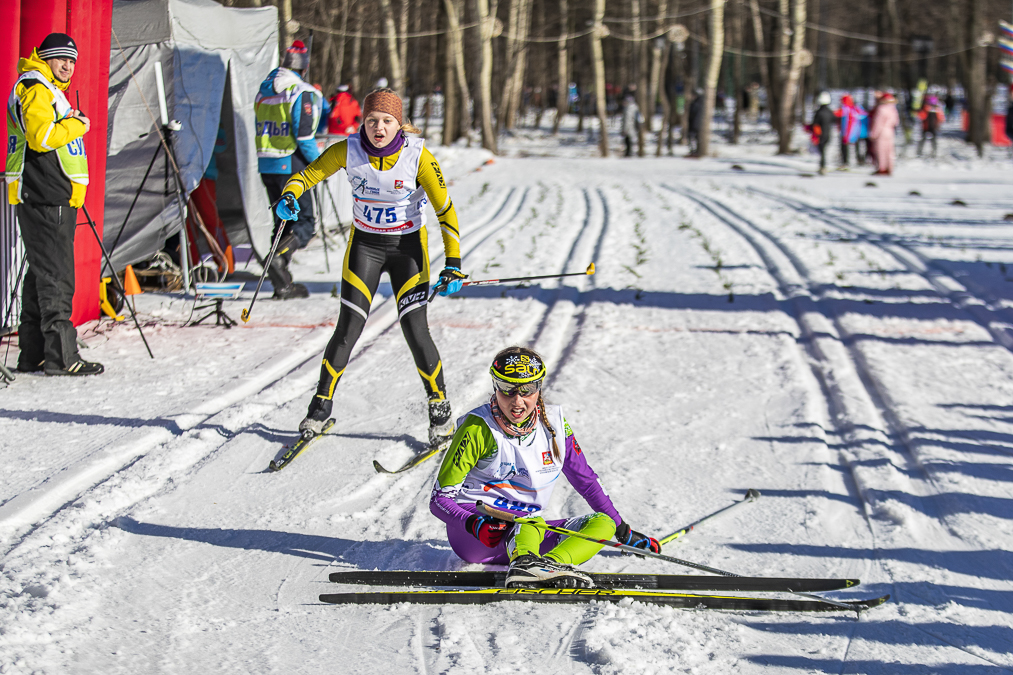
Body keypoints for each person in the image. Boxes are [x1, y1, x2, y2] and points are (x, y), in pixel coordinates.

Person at [277, 88, 464, 449]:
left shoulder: (418, 156)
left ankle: (439, 406)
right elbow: (307, 176)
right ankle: (320, 406)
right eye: (372, 120)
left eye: (387, 121)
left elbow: (445, 210)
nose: (379, 127)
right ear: (364, 122)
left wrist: (453, 262)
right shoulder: (348, 150)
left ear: (399, 124)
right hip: (365, 247)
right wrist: (289, 196)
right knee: (348, 328)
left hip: (408, 250)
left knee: (415, 328)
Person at [429, 347, 660, 588]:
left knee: (603, 523)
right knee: (531, 520)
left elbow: (586, 481)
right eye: (507, 389)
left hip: (529, 533)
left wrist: (623, 531)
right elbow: (438, 500)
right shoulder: (478, 427)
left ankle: (550, 567)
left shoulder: (555, 424)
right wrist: (473, 524)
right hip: (478, 534)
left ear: (538, 387)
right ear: (495, 386)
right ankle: (527, 564)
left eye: (527, 390)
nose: (517, 401)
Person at [6, 33, 102, 376]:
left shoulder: (45, 89)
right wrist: (77, 123)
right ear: (44, 59)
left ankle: (34, 354)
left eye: (72, 60)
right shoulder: (36, 89)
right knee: (58, 277)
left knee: (40, 275)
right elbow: (42, 136)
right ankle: (63, 356)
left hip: (46, 193)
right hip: (45, 194)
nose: (68, 65)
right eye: (61, 59)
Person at [254, 40, 323, 299]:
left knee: (282, 222)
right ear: (303, 68)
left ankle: (282, 284)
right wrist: (320, 165)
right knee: (304, 223)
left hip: (266, 162)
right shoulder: (299, 91)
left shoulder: (263, 89)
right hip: (291, 163)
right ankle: (278, 257)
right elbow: (304, 135)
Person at [868, 91, 899, 176]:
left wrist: (873, 133)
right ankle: (890, 167)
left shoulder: (881, 109)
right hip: (890, 131)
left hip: (882, 131)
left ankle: (882, 168)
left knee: (880, 150)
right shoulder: (893, 109)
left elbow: (878, 122)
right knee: (889, 150)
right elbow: (896, 122)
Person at [835, 94, 866, 170]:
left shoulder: (845, 109)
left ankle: (845, 161)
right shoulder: (856, 108)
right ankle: (858, 160)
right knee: (856, 146)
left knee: (845, 146)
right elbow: (864, 114)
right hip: (856, 131)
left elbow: (836, 114)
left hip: (847, 131)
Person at [810, 91, 836, 175]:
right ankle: (823, 166)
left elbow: (815, 124)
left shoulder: (818, 112)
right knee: (823, 151)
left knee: (822, 151)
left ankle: (822, 166)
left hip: (820, 134)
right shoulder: (830, 112)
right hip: (828, 133)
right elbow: (834, 121)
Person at [621, 91, 640, 157]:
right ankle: (629, 152)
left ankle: (628, 153)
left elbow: (627, 120)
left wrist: (625, 129)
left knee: (628, 141)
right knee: (630, 140)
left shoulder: (628, 109)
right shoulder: (635, 107)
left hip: (629, 128)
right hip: (633, 128)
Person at [687, 88, 704, 156]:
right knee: (694, 138)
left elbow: (693, 113)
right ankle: (694, 151)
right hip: (695, 123)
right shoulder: (700, 103)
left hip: (695, 124)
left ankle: (694, 151)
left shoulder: (696, 104)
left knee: (692, 137)